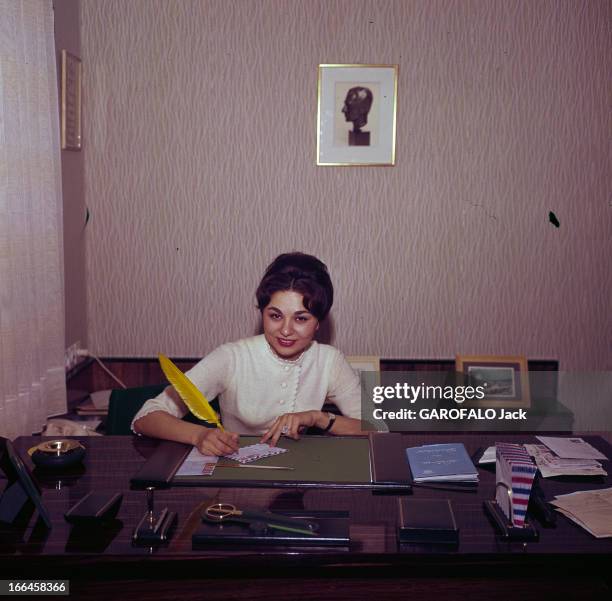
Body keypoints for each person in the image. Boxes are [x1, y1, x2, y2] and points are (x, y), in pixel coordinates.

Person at [132, 252, 365, 456]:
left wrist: (318, 418)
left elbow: (378, 428)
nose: (285, 330)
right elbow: (145, 417)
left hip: (299, 485)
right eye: (275, 315)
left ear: (318, 323)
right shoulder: (232, 357)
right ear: (262, 313)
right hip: (238, 488)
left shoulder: (330, 360)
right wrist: (199, 436)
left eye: (301, 318)